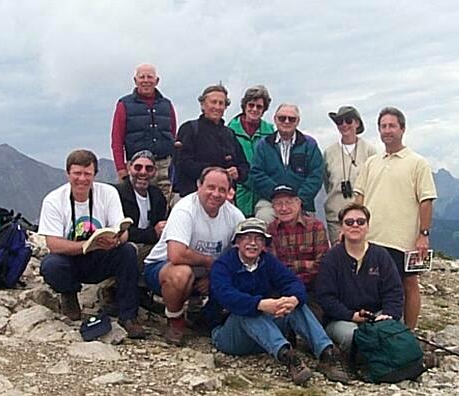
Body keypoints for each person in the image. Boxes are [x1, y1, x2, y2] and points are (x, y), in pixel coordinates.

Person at [210, 218, 350, 385]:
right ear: (237, 242)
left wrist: (293, 299)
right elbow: (226, 296)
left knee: (295, 305)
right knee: (246, 311)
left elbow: (292, 282)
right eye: (247, 238)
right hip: (230, 335)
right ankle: (288, 356)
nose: (253, 243)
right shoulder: (223, 265)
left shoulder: (267, 261)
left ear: (264, 245)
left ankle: (327, 353)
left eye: (259, 239)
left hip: (263, 333)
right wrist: (260, 304)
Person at [38, 149, 146, 338]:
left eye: (87, 174)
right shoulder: (54, 200)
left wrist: (116, 239)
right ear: (68, 174)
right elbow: (53, 244)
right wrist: (87, 245)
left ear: (94, 174)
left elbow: (124, 232)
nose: (82, 179)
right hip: (71, 259)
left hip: (101, 255)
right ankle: (69, 294)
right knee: (51, 265)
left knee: (128, 251)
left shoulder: (108, 193)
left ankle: (128, 315)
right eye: (77, 173)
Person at [354, 107, 437, 330]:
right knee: (374, 284)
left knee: (409, 283)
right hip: (373, 236)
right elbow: (359, 196)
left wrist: (423, 234)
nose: (387, 130)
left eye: (392, 126)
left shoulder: (417, 162)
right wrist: (354, 226)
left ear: (402, 128)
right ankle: (378, 326)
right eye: (383, 126)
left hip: (405, 239)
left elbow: (426, 200)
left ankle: (409, 331)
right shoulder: (372, 162)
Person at [143, 167, 245, 345]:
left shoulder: (234, 215)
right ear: (199, 185)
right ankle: (175, 320)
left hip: (206, 273)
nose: (216, 194)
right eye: (211, 187)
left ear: (229, 192)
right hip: (163, 268)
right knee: (181, 274)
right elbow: (176, 254)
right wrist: (210, 263)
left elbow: (242, 254)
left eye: (222, 189)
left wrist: (214, 276)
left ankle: (206, 319)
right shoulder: (185, 209)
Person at [315, 203, 403, 365]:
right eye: (349, 222)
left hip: (378, 315)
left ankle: (387, 361)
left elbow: (394, 291)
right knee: (353, 337)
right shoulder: (331, 258)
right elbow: (326, 297)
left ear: (368, 226)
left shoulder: (381, 255)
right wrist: (351, 315)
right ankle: (384, 362)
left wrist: (388, 314)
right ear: (342, 227)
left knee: (390, 329)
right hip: (342, 320)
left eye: (360, 222)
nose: (355, 225)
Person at [111, 63, 177, 197]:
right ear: (135, 81)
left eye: (149, 77)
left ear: (156, 81)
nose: (146, 81)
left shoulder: (167, 105)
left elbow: (173, 134)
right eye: (142, 77)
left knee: (167, 205)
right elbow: (117, 140)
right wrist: (121, 169)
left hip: (164, 166)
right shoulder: (124, 105)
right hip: (137, 167)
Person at [250, 103, 323, 223]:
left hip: (302, 203)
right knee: (263, 218)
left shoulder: (310, 145)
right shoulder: (264, 145)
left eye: (292, 119)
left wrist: (298, 200)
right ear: (275, 119)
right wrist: (277, 196)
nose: (287, 121)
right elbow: (256, 173)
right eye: (282, 118)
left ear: (298, 121)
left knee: (310, 228)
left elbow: (316, 175)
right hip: (270, 202)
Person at [175, 84, 249, 197]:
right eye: (213, 102)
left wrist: (237, 172)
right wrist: (216, 173)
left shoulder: (229, 134)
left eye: (221, 103)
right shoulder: (189, 129)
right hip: (194, 196)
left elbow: (244, 165)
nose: (217, 107)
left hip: (225, 198)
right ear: (203, 105)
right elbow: (183, 163)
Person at [266, 185, 329, 316]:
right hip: (281, 289)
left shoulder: (316, 227)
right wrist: (306, 265)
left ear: (299, 203)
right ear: (273, 207)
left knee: (314, 320)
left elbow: (322, 265)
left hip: (311, 289)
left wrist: (291, 266)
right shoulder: (270, 231)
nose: (284, 208)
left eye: (288, 202)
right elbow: (273, 269)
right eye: (278, 204)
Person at [323, 106, 377, 244]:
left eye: (348, 120)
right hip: (336, 217)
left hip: (362, 219)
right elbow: (327, 182)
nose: (344, 125)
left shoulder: (369, 151)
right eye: (340, 121)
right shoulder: (329, 153)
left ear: (357, 123)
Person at [227, 85, 275, 217]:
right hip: (238, 194)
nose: (254, 109)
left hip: (263, 194)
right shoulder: (229, 131)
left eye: (259, 107)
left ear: (264, 109)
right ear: (244, 106)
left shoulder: (271, 132)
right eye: (251, 105)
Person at [114, 150, 168, 264]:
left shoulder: (157, 195)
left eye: (149, 168)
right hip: (124, 249)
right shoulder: (117, 194)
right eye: (138, 167)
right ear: (129, 168)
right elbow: (119, 232)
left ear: (154, 172)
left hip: (151, 249)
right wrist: (152, 233)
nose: (143, 172)